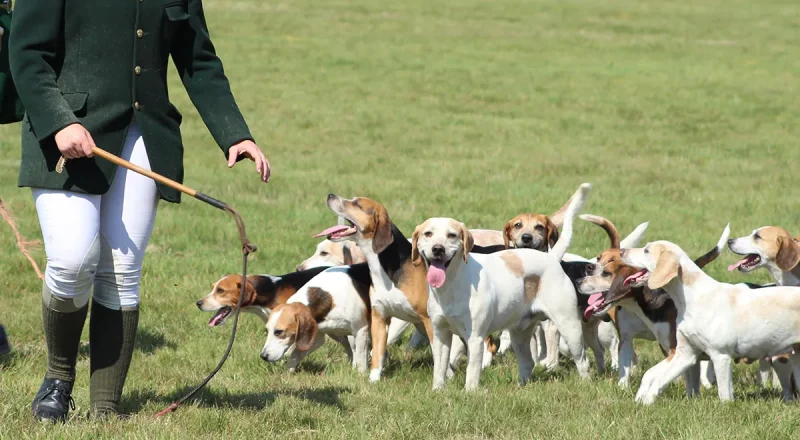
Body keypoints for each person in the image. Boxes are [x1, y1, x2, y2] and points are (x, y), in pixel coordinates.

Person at [9, 0, 270, 422]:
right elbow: (26, 53)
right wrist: (59, 121)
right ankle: (58, 379)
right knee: (73, 260)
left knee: (122, 269)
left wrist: (235, 133)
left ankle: (106, 406)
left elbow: (197, 57)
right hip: (66, 132)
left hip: (144, 133)